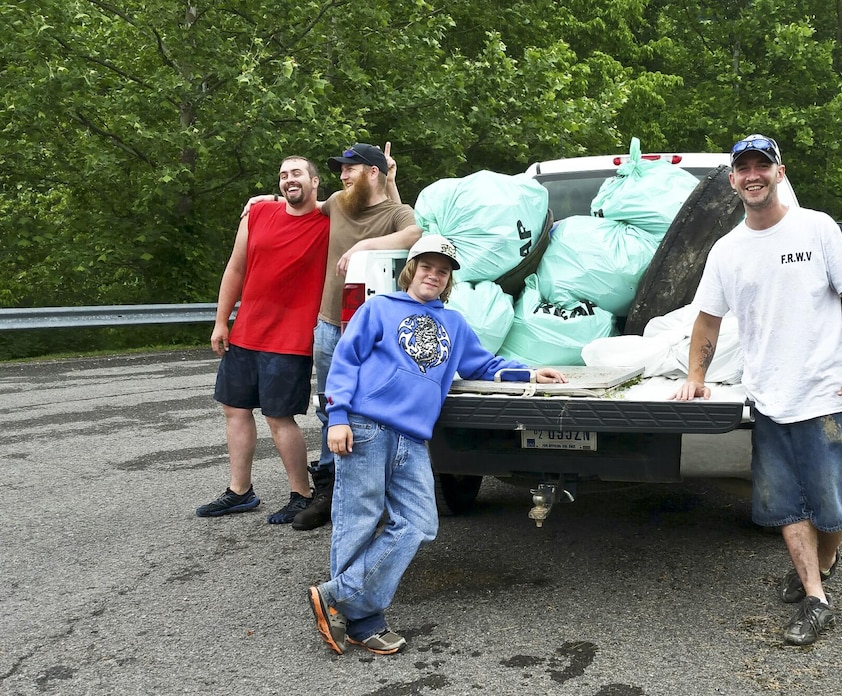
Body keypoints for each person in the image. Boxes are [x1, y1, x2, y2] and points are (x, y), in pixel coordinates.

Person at [307, 235, 566, 655]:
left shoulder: (455, 324)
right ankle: (364, 621)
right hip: (366, 425)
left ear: (448, 281)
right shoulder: (379, 309)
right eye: (427, 266)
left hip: (413, 436)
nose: (434, 274)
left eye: (443, 271)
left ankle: (338, 592)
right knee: (359, 518)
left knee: (420, 523)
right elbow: (345, 361)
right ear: (411, 270)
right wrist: (336, 417)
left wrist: (531, 373)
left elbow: (484, 365)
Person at [671, 134, 842, 646]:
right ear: (732, 181)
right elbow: (707, 320)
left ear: (779, 173)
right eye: (743, 168)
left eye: (762, 165)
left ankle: (825, 562)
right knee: (784, 502)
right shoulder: (727, 250)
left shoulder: (817, 228)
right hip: (768, 398)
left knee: (833, 505)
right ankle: (815, 595)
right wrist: (696, 376)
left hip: (825, 394)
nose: (753, 175)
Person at [244, 141, 422, 531]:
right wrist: (268, 198)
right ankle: (328, 491)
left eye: (350, 169)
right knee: (331, 407)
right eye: (340, 170)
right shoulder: (339, 203)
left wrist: (364, 246)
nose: (342, 176)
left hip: (376, 334)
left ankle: (380, 490)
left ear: (372, 173)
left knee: (373, 406)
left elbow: (414, 236)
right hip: (329, 327)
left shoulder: (396, 212)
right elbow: (304, 203)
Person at [197, 157, 330, 525]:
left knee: (278, 416)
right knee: (234, 408)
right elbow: (235, 268)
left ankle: (302, 494)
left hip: (290, 337)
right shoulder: (257, 215)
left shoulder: (329, 219)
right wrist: (221, 321)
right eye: (283, 175)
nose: (289, 180)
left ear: (315, 181)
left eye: (297, 174)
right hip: (247, 330)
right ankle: (240, 492)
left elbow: (369, 205)